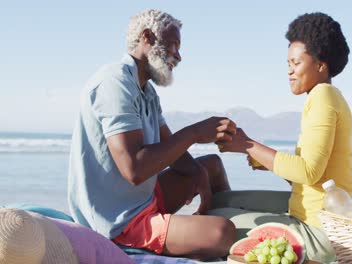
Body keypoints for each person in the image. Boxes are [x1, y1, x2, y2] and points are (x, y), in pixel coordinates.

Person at [67, 9, 237, 259]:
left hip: (142, 200)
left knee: (210, 166)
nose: (178, 56)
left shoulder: (146, 90)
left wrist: (197, 173)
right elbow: (134, 169)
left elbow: (169, 146)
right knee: (222, 233)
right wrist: (195, 132)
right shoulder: (114, 83)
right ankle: (207, 239)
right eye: (173, 46)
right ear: (147, 37)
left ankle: (203, 229)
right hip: (117, 221)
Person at [212, 12, 352, 263]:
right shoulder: (327, 96)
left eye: (296, 63)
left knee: (216, 219)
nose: (289, 71)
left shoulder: (322, 96)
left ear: (321, 65)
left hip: (318, 232)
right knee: (221, 201)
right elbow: (312, 176)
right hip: (306, 212)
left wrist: (247, 144)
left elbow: (308, 172)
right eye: (287, 64)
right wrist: (253, 154)